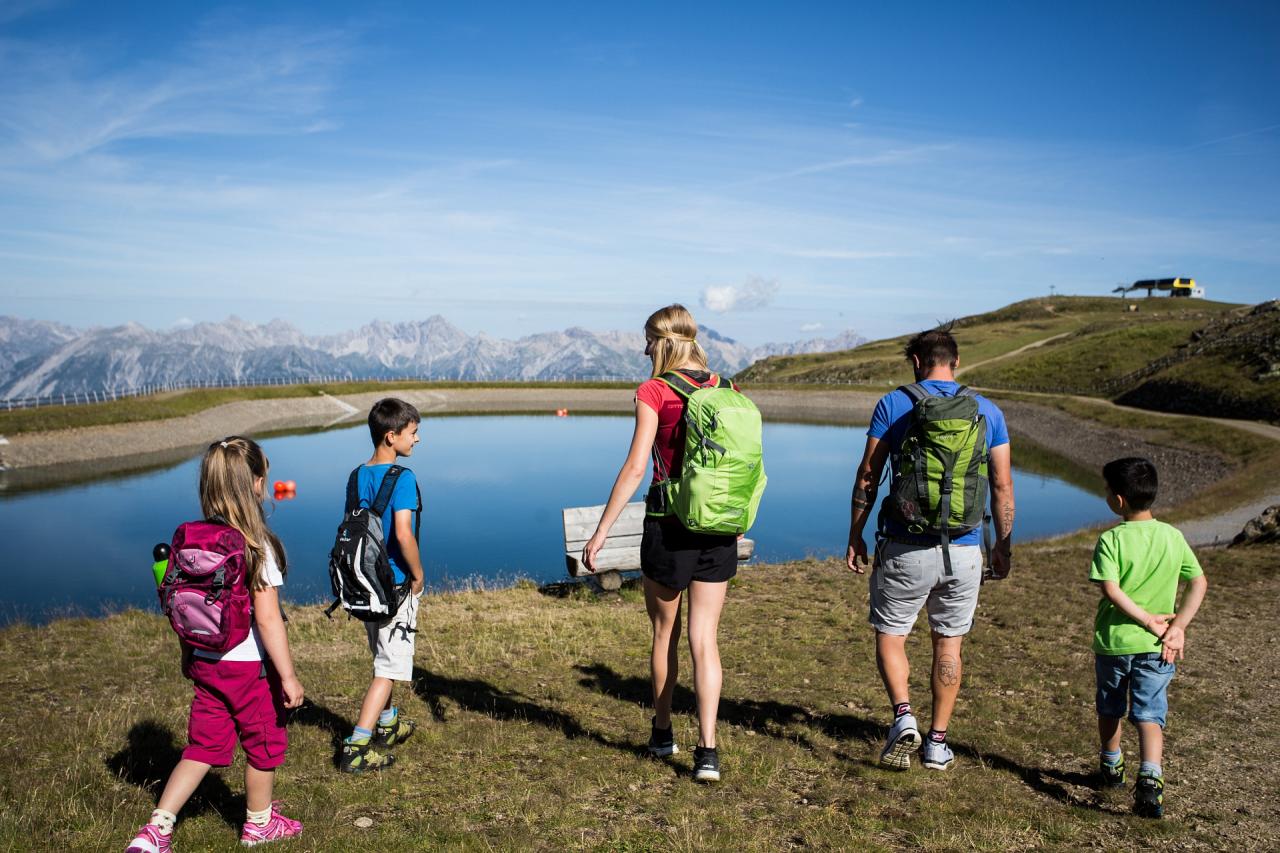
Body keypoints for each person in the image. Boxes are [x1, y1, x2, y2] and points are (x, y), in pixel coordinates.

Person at [582, 304, 741, 783]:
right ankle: (708, 751)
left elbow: (636, 468)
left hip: (668, 525)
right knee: (705, 640)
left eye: (649, 340)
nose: (644, 348)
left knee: (665, 634)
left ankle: (663, 731)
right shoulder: (727, 389)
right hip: (718, 526)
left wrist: (602, 530)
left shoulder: (655, 390)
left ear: (665, 341)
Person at [845, 324, 1014, 772]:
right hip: (964, 549)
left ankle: (903, 716)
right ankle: (937, 744)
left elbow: (868, 474)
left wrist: (855, 532)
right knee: (949, 646)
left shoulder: (894, 403)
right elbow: (1001, 485)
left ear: (916, 363)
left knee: (891, 633)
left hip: (904, 545)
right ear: (956, 363)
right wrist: (1003, 546)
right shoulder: (987, 411)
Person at [126, 437, 304, 852]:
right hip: (248, 669)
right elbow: (267, 618)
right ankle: (259, 824)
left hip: (206, 662)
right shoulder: (256, 547)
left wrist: (188, 653)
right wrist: (289, 676)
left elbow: (184, 609)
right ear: (257, 484)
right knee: (264, 742)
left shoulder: (192, 541)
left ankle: (157, 828)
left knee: (202, 746)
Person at [1090, 457, 1207, 819]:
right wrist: (1177, 627)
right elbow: (1198, 581)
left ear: (1119, 500)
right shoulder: (1172, 536)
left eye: (1108, 490)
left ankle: (1112, 767)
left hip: (1114, 642)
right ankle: (1150, 780)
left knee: (1110, 707)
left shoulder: (1111, 538)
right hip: (1159, 648)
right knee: (1150, 713)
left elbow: (1110, 588)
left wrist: (1146, 620)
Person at [338, 398, 425, 773]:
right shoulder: (403, 478)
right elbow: (403, 535)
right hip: (395, 586)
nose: (417, 440)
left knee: (381, 653)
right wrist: (418, 575)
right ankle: (357, 745)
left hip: (363, 583)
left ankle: (388, 724)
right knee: (387, 668)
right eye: (413, 433)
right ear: (392, 436)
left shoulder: (356, 475)